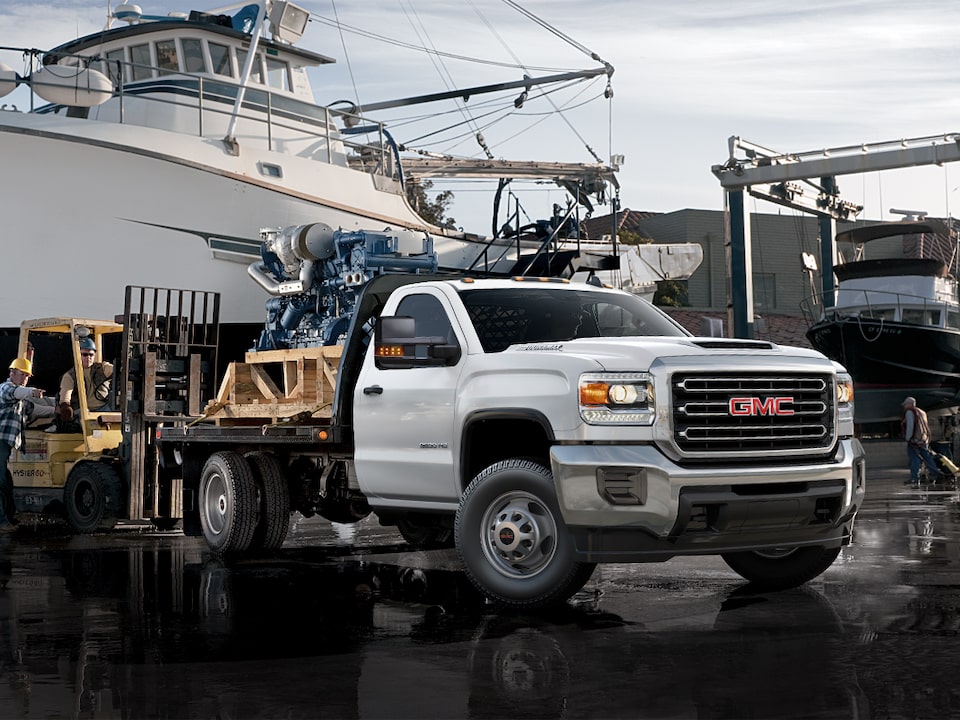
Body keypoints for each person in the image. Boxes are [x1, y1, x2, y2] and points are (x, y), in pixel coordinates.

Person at [0, 357, 55, 532]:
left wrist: (58, 408)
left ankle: (8, 517)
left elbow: (34, 409)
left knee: (6, 483)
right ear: (12, 373)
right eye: (22, 375)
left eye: (27, 376)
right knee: (0, 481)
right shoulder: (5, 388)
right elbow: (17, 393)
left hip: (5, 444)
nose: (25, 378)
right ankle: (1, 522)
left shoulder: (21, 398)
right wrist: (32, 391)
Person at [55, 337, 114, 429]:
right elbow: (66, 395)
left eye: (91, 354)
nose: (88, 358)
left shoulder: (102, 368)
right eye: (85, 354)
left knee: (122, 416)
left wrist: (124, 369)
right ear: (78, 354)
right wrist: (65, 405)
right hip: (82, 410)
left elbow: (116, 369)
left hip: (103, 407)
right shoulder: (70, 375)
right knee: (88, 423)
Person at [902, 396, 942, 486]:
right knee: (927, 458)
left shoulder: (910, 412)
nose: (904, 406)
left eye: (905, 404)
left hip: (914, 440)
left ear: (909, 404)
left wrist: (908, 438)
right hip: (923, 440)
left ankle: (914, 478)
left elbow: (910, 426)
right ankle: (935, 474)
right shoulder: (922, 412)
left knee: (914, 459)